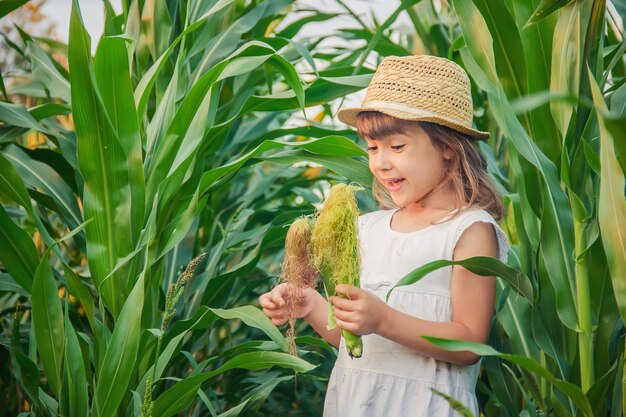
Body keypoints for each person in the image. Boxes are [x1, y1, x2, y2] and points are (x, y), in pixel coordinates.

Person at [259, 55, 509, 416]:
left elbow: (470, 342)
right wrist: (309, 304)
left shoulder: (467, 230)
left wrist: (385, 320)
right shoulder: (368, 228)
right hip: (356, 403)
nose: (380, 162)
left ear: (448, 148)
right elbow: (355, 342)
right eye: (372, 148)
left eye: (397, 146)